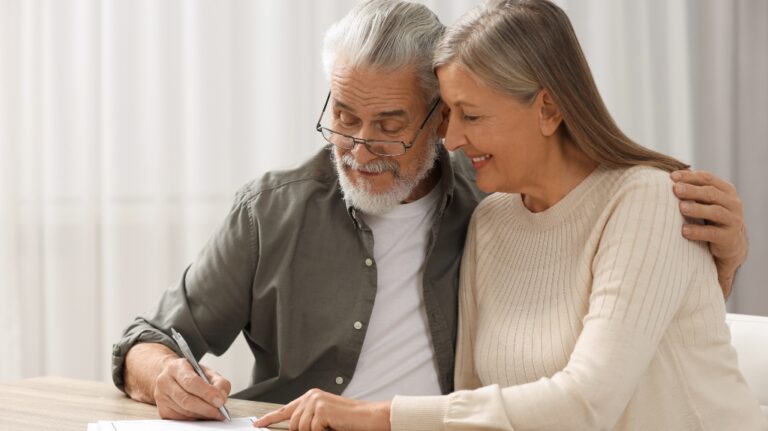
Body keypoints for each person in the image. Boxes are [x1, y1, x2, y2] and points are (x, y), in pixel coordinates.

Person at [112, 0, 750, 423]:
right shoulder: (277, 212)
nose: (359, 148)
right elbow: (148, 338)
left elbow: (602, 367)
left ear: (437, 112)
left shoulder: (489, 201)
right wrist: (163, 374)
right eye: (343, 117)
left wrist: (714, 266)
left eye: (390, 125)